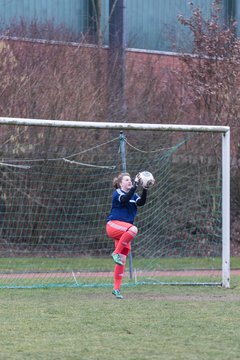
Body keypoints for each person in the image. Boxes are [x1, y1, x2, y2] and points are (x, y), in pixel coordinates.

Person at [106, 172, 148, 299]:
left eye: (130, 180)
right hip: (113, 226)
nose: (129, 182)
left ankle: (116, 289)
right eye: (127, 180)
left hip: (124, 231)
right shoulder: (118, 193)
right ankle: (115, 253)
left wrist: (145, 188)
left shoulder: (133, 195)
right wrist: (135, 185)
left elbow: (141, 202)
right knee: (134, 229)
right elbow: (124, 199)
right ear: (120, 184)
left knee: (122, 261)